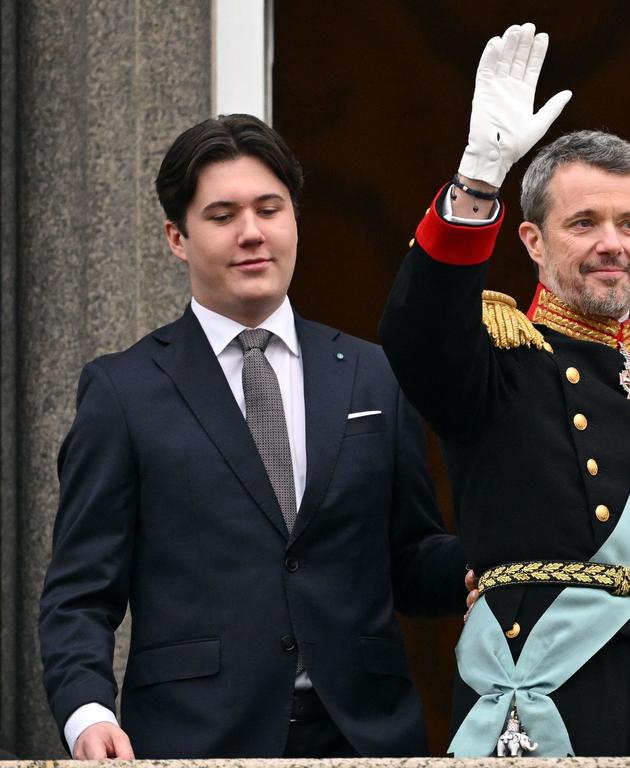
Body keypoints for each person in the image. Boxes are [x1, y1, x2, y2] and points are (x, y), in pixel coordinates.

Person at [38, 114, 468, 759]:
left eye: (270, 209)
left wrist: (496, 554)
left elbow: (408, 560)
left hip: (362, 734)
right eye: (222, 215)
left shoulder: (375, 375)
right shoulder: (122, 391)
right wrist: (87, 713)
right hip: (195, 736)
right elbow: (80, 592)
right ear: (176, 237)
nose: (251, 233)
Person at [380, 24, 630, 756]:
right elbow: (418, 331)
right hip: (546, 689)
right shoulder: (501, 358)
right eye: (584, 222)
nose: (611, 243)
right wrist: (477, 179)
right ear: (533, 242)